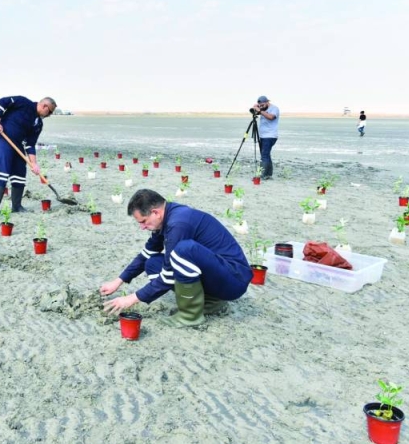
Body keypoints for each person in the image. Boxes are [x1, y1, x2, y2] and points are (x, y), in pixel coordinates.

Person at [101, 189, 251, 327]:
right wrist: (118, 281)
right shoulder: (166, 219)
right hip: (217, 274)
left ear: (155, 212)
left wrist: (131, 298)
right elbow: (146, 254)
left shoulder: (178, 223)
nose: (142, 227)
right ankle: (211, 302)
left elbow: (168, 275)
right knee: (152, 263)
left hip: (234, 279)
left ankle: (190, 316)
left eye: (143, 221)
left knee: (183, 250)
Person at [0, 95, 57, 215]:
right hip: (2, 137)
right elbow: (2, 102)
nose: (49, 115)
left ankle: (17, 206)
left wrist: (34, 164)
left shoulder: (38, 123)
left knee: (20, 172)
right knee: (2, 172)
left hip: (17, 143)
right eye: (50, 111)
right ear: (44, 106)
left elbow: (30, 144)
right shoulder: (23, 102)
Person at [254, 95, 279, 180]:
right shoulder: (263, 109)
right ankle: (268, 174)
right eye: (260, 105)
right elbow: (257, 113)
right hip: (263, 136)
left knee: (264, 156)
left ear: (267, 102)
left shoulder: (274, 108)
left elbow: (271, 117)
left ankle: (262, 175)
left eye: (263, 105)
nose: (261, 107)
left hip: (270, 136)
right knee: (266, 155)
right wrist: (255, 109)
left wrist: (260, 111)